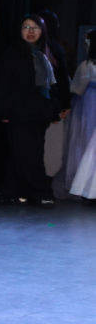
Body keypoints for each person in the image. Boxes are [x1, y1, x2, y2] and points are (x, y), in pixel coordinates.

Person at [0, 14, 59, 205]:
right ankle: (38, 192)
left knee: (32, 152)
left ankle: (16, 191)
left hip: (39, 111)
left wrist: (54, 108)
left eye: (35, 28)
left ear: (42, 31)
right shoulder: (12, 54)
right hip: (19, 111)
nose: (30, 31)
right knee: (24, 152)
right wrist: (4, 111)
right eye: (26, 27)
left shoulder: (46, 53)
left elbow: (54, 85)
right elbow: (3, 84)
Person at [64, 30, 96, 202]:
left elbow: (77, 87)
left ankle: (86, 187)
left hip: (88, 104)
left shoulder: (87, 65)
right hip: (88, 102)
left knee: (85, 142)